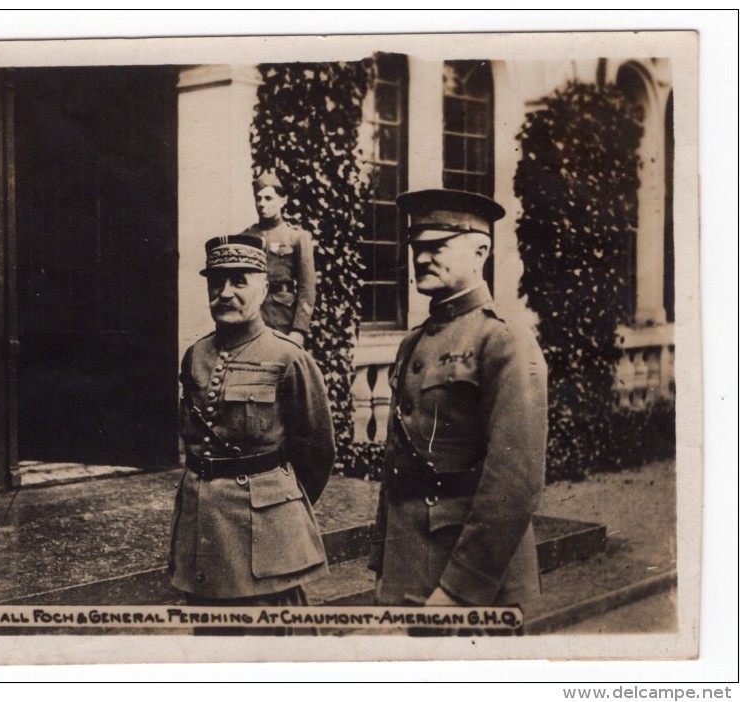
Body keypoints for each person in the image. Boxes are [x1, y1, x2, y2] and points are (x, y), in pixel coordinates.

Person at [368, 189, 548, 612]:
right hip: (409, 568)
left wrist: (460, 589)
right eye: (416, 247)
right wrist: (383, 564)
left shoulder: (503, 340)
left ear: (480, 249)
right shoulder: (412, 342)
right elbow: (398, 464)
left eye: (437, 246)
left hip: (473, 582)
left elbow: (515, 480)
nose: (422, 257)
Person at [168, 233, 335, 626]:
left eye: (239, 281)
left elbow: (317, 452)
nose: (225, 293)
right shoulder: (196, 355)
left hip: (266, 536)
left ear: (263, 286)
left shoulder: (288, 357)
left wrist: (276, 507)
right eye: (217, 281)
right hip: (204, 531)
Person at [240, 172, 317, 346]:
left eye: (268, 198)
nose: (262, 204)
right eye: (258, 199)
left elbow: (307, 287)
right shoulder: (245, 237)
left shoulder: (297, 238)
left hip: (283, 320)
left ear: (282, 201)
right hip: (251, 318)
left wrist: (299, 330)